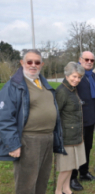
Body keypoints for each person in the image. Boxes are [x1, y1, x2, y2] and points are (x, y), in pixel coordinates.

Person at [0, 49, 66, 194]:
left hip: (48, 139)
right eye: (29, 61)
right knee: (26, 183)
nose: (33, 65)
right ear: (22, 63)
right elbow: (4, 118)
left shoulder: (44, 83)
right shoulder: (13, 86)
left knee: (42, 180)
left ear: (41, 64)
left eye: (37, 62)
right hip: (28, 141)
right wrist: (13, 145)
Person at [70, 51, 95, 191]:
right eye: (86, 59)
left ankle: (84, 172)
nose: (89, 62)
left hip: (90, 119)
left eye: (92, 60)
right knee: (75, 149)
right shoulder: (75, 75)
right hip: (78, 119)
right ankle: (72, 177)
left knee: (87, 147)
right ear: (80, 59)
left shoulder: (94, 76)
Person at [55, 62, 86, 194]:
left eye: (79, 77)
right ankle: (57, 191)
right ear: (67, 75)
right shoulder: (62, 91)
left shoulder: (73, 90)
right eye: (74, 76)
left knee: (72, 166)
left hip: (76, 135)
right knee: (66, 167)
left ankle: (66, 189)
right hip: (67, 136)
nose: (76, 80)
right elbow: (56, 115)